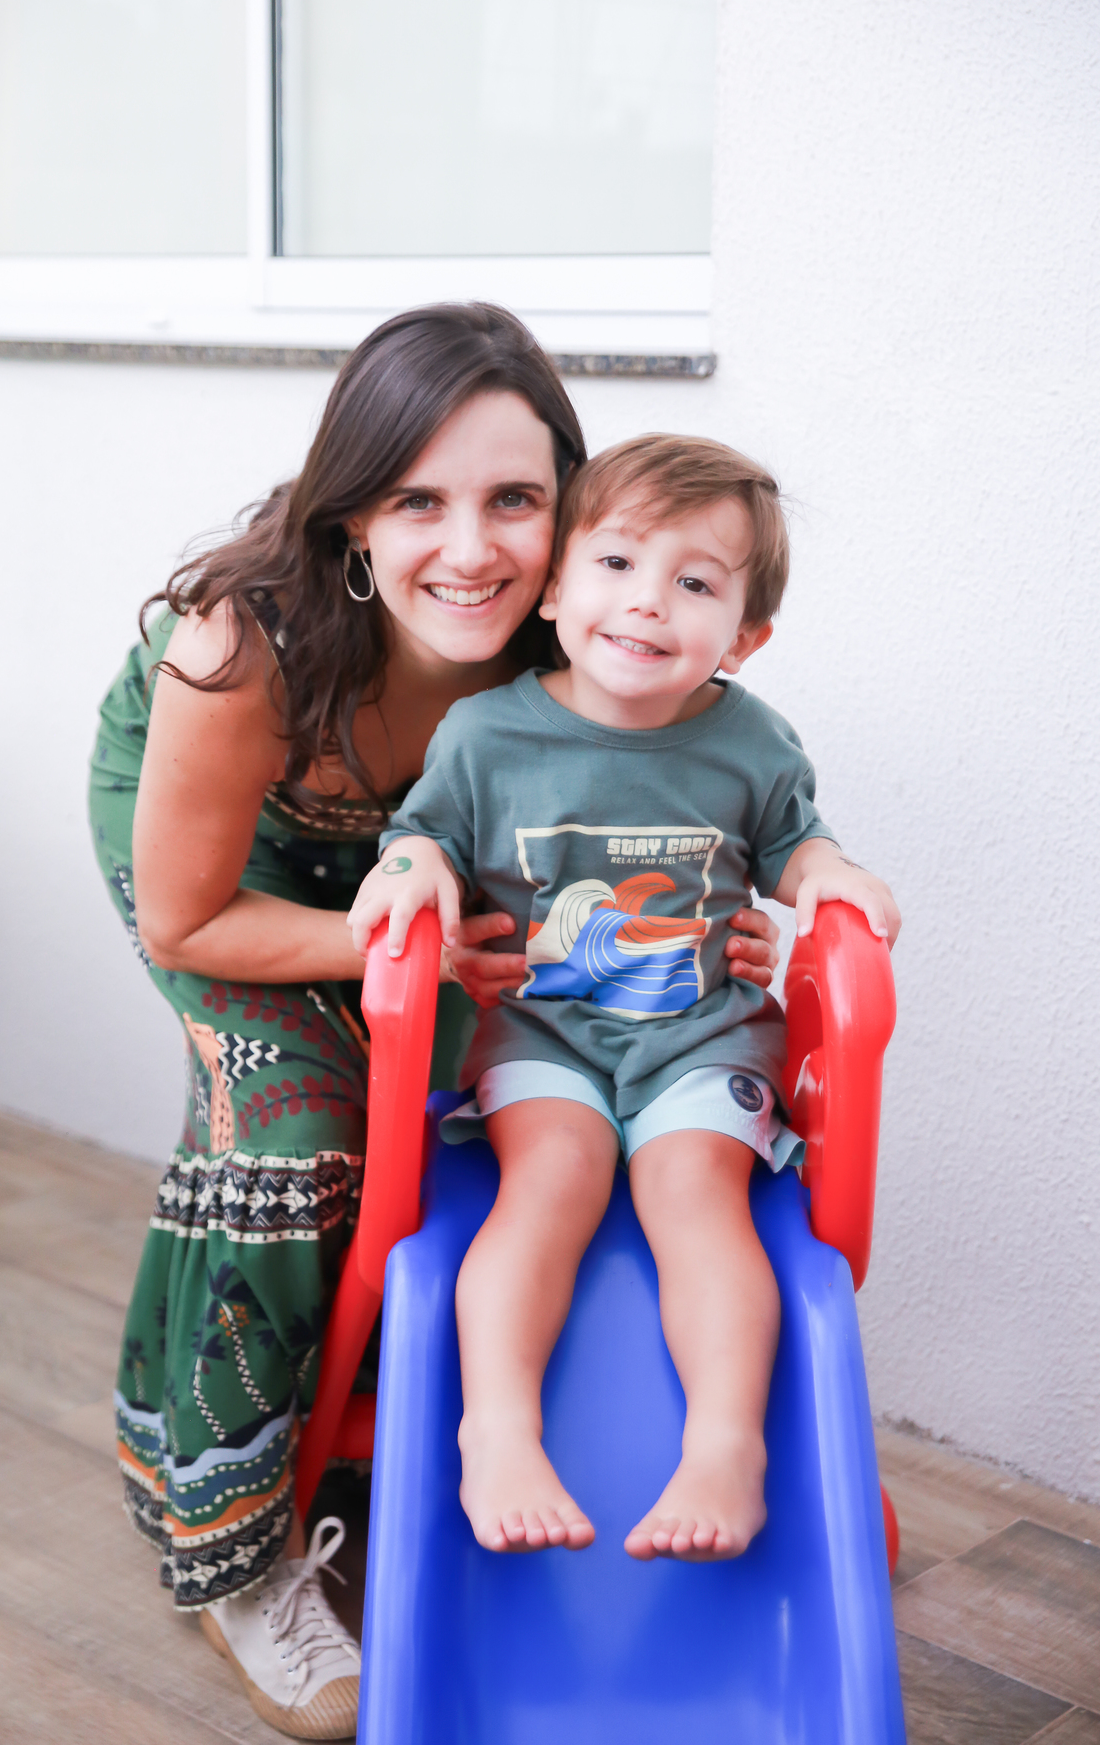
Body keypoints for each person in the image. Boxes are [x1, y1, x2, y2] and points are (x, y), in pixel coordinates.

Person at [88, 312, 781, 1739]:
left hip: (430, 882)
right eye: (417, 500)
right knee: (300, 1127)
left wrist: (747, 911)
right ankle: (237, 1545)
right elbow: (187, 920)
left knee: (456, 1110)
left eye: (513, 499)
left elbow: (679, 794)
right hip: (231, 871)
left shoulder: (575, 614)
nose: (470, 549)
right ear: (353, 512)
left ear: (568, 509)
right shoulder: (239, 647)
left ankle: (372, 1408)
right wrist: (402, 944)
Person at [349, 432, 901, 1567]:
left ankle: (725, 1447)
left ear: (743, 637)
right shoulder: (488, 734)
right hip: (543, 1036)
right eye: (615, 564)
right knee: (548, 1181)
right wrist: (412, 870)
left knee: (697, 1199)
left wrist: (831, 875)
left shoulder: (749, 741)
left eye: (694, 583)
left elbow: (795, 842)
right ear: (554, 588)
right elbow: (424, 834)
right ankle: (497, 1430)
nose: (647, 601)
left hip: (701, 1041)